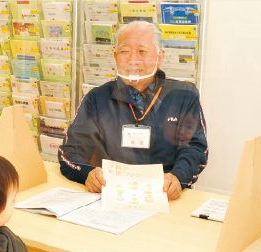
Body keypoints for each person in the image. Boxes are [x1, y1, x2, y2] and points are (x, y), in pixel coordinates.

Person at [58, 21, 208, 201]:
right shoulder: (97, 98)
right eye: (124, 51)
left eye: (142, 51)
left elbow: (195, 149)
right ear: (115, 56)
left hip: (164, 197)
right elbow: (71, 151)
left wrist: (177, 178)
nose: (133, 60)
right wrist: (87, 174)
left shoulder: (184, 94)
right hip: (110, 196)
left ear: (160, 57)